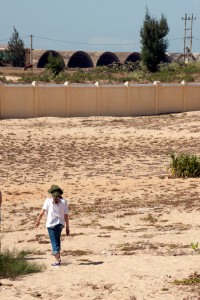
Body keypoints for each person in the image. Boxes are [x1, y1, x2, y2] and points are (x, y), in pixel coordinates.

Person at [36, 185, 69, 267]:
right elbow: (66, 216)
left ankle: (57, 262)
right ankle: (58, 257)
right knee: (57, 240)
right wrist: (68, 227)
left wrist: (38, 221)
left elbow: (42, 212)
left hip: (51, 224)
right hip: (61, 223)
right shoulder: (64, 201)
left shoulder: (48, 200)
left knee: (54, 241)